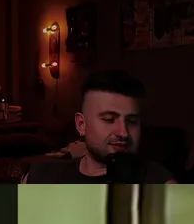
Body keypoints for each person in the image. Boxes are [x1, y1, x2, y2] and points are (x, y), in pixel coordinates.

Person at [21, 69, 175, 184]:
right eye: (109, 119)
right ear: (81, 124)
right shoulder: (43, 176)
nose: (123, 132)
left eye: (132, 121)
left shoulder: (157, 181)